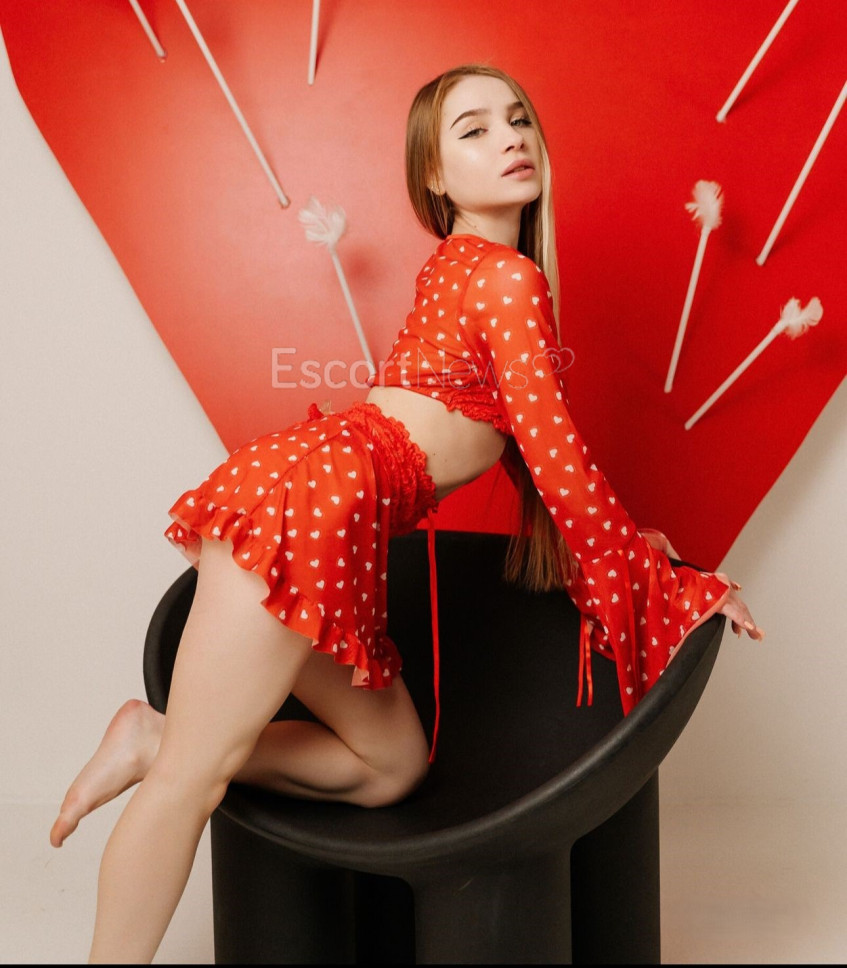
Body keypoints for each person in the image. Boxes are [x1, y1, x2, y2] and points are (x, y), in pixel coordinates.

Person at [50, 64, 763, 963]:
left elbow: (538, 457)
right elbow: (560, 464)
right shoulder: (503, 280)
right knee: (192, 787)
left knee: (387, 767)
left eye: (517, 119)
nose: (510, 138)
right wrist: (675, 583)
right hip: (310, 504)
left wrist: (634, 546)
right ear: (434, 175)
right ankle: (163, 786)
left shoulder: (466, 269)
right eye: (473, 130)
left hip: (331, 519)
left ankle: (155, 737)